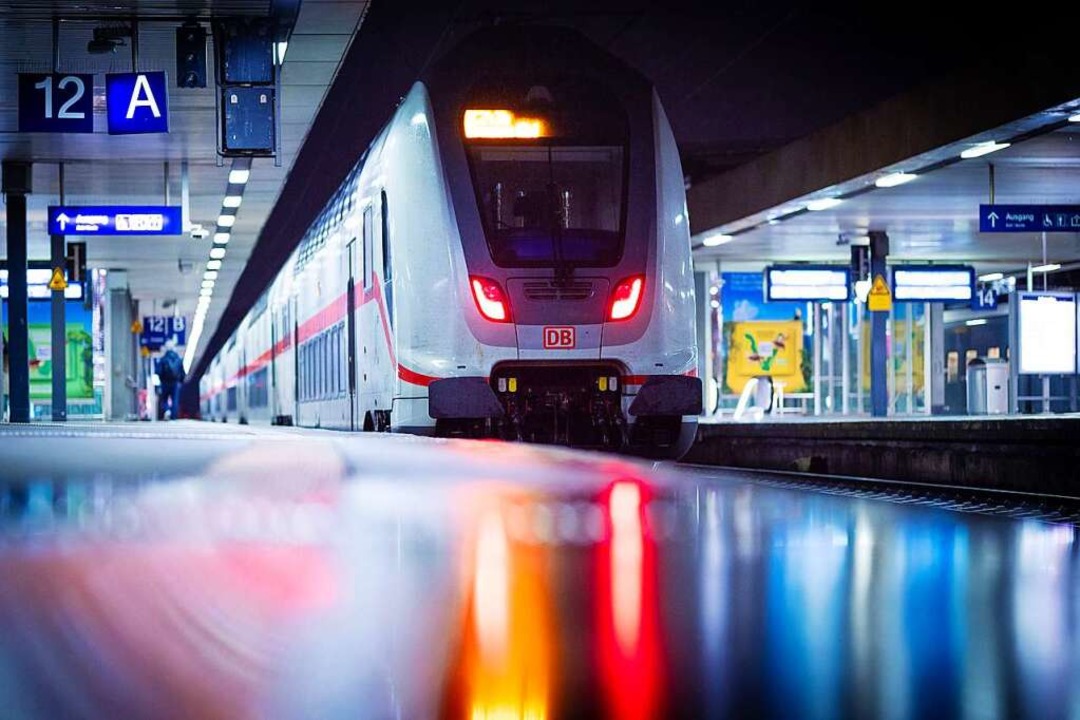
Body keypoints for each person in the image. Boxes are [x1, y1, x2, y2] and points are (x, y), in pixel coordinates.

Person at [156, 338, 185, 420]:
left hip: (164, 382)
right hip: (175, 383)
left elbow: (158, 371)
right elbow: (183, 373)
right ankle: (173, 417)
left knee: (164, 399)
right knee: (175, 400)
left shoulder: (163, 359)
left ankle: (167, 410)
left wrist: (160, 380)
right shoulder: (179, 359)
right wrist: (181, 381)